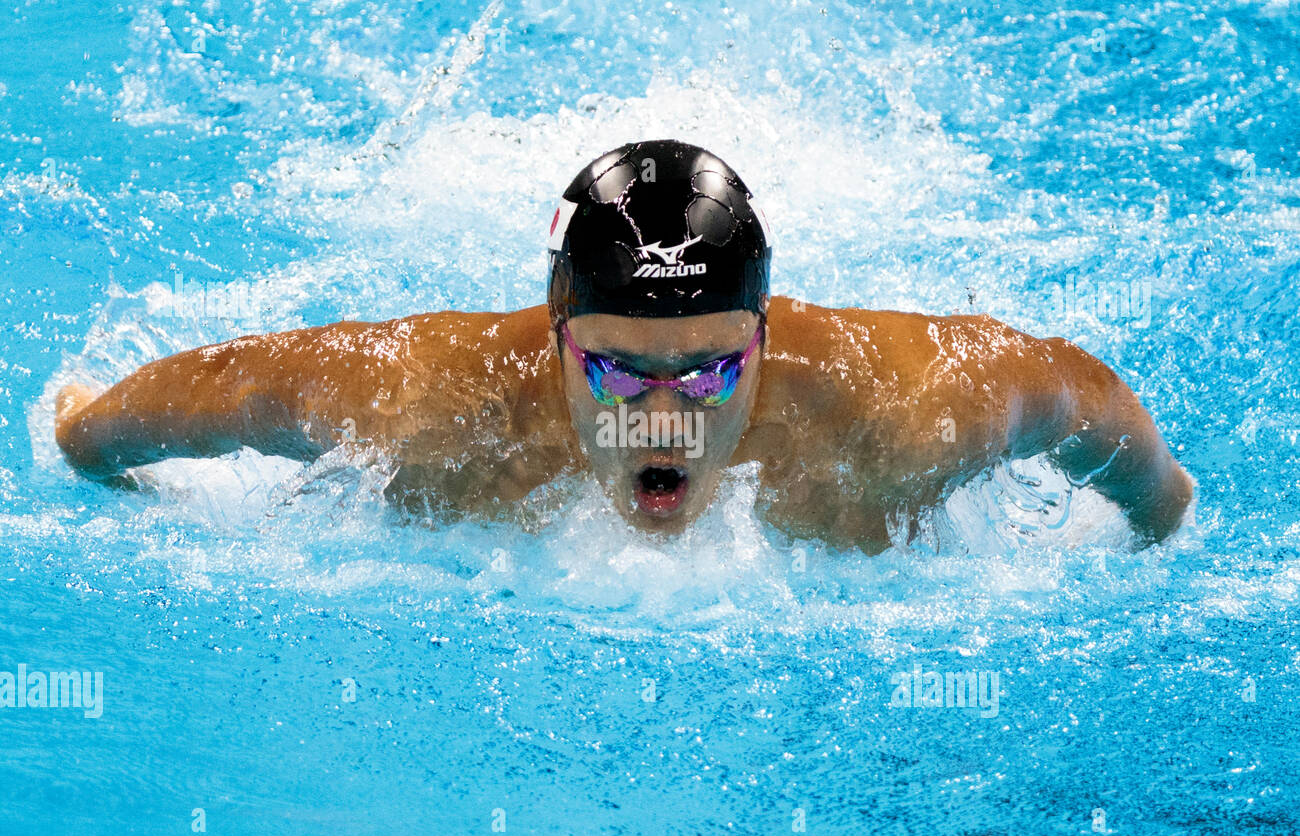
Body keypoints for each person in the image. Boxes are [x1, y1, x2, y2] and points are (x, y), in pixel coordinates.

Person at [54, 140, 1194, 552]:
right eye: (618, 368)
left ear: (762, 334)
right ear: (553, 338)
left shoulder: (892, 414)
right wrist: (82, 437)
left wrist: (1157, 511)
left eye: (709, 369)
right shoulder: (431, 404)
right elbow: (229, 390)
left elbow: (1076, 396)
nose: (666, 412)